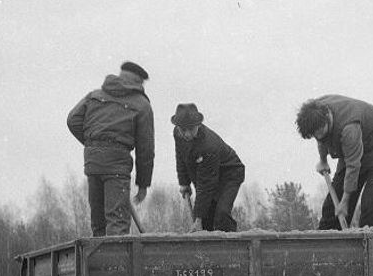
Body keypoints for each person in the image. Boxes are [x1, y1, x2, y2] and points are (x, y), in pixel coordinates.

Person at [66, 60, 155, 236]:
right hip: (117, 165)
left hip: (93, 162)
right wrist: (143, 184)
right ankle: (115, 264)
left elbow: (72, 120)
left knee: (98, 222)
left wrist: (95, 144)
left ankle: (97, 262)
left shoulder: (95, 95)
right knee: (117, 222)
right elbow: (146, 148)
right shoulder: (141, 104)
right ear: (138, 82)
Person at [296, 95, 373, 229]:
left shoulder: (349, 129)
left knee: (370, 204)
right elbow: (321, 138)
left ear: (327, 118)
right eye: (314, 134)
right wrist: (323, 160)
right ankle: (326, 245)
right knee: (331, 207)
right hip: (352, 147)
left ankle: (370, 245)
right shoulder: (314, 112)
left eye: (320, 131)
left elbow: (353, 165)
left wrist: (345, 201)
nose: (318, 136)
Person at [172, 104, 245, 232]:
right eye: (183, 130)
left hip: (229, 174)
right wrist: (184, 183)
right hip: (207, 173)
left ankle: (233, 248)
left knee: (221, 215)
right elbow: (181, 157)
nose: (187, 134)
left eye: (191, 129)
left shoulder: (208, 145)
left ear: (198, 125)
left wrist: (198, 219)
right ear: (178, 127)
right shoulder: (178, 134)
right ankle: (210, 251)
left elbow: (205, 186)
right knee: (206, 221)